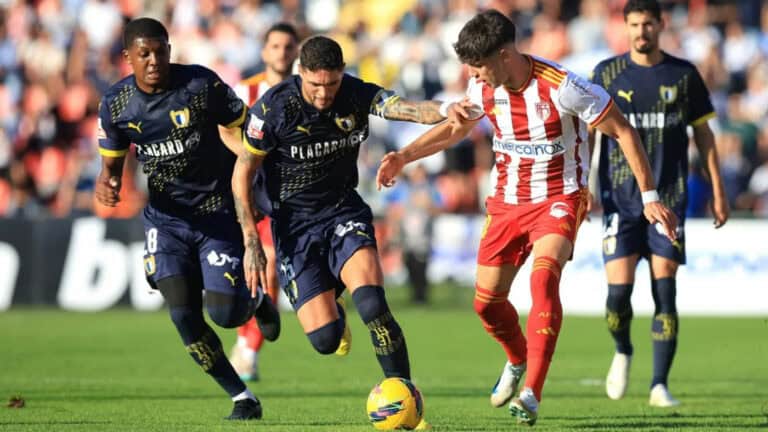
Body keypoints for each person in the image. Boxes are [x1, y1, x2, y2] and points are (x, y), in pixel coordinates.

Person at [375, 9, 678, 426]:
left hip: (560, 197)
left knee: (543, 278)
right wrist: (404, 156)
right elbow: (456, 127)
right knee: (486, 304)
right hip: (506, 202)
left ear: (504, 55)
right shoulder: (484, 86)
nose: (475, 76)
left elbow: (623, 131)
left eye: (480, 67)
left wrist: (648, 196)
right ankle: (517, 358)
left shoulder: (564, 87)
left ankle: (532, 392)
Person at [226, 35, 452, 430]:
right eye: (316, 85)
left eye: (331, 84)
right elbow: (243, 170)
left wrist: (449, 108)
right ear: (301, 75)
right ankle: (334, 305)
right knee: (325, 340)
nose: (324, 94)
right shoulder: (273, 109)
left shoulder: (355, 94)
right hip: (294, 227)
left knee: (374, 307)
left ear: (342, 75)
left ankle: (409, 410)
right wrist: (250, 240)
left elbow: (406, 108)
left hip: (343, 212)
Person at [95, 17, 280, 420]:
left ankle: (256, 301)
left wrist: (260, 176)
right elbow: (111, 167)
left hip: (216, 215)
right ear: (128, 57)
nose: (154, 59)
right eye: (144, 53)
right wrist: (106, 184)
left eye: (160, 50)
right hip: (165, 221)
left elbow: (246, 129)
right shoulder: (116, 104)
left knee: (225, 315)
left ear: (169, 50)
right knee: (181, 312)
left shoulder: (200, 85)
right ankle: (241, 397)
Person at [590, 0, 728, 408]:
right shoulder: (606, 73)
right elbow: (591, 135)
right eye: (634, 25)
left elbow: (705, 136)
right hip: (620, 199)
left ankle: (658, 384)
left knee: (664, 290)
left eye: (648, 24)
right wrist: (581, 186)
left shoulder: (684, 75)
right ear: (625, 27)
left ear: (661, 25)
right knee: (618, 296)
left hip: (668, 199)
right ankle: (622, 349)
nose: (641, 32)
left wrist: (718, 191)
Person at [228, 22, 299, 383]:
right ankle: (248, 345)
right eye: (275, 46)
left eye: (288, 46)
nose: (282, 52)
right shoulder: (246, 90)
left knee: (269, 268)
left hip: (292, 196)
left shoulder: (308, 89)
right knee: (260, 267)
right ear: (264, 51)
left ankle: (248, 346)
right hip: (255, 195)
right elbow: (225, 131)